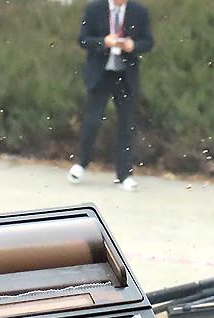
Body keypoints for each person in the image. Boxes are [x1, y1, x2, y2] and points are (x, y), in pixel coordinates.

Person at [68, 0, 153, 192]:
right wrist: (103, 42)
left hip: (125, 75)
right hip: (100, 73)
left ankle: (124, 174)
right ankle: (81, 163)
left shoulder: (139, 11)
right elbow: (83, 39)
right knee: (92, 120)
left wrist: (133, 45)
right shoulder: (94, 8)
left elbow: (148, 42)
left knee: (126, 124)